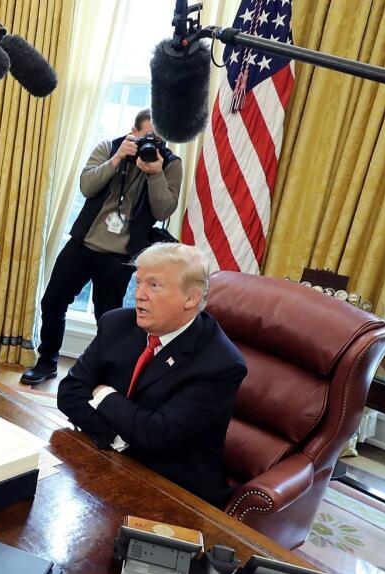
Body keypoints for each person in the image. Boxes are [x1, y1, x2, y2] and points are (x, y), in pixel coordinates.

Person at [57, 243, 246, 507]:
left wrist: (103, 394)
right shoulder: (117, 323)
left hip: (175, 489)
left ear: (190, 298)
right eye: (138, 282)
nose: (139, 294)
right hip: (110, 459)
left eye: (154, 285)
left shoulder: (220, 364)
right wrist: (117, 438)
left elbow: (157, 436)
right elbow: (68, 393)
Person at [23, 109, 183, 385]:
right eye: (147, 137)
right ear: (133, 132)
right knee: (52, 302)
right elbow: (86, 186)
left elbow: (163, 209)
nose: (152, 145)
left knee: (107, 320)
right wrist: (117, 158)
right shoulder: (109, 147)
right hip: (83, 244)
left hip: (120, 256)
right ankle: (47, 361)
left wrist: (155, 174)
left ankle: (98, 375)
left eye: (158, 140)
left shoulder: (170, 164)